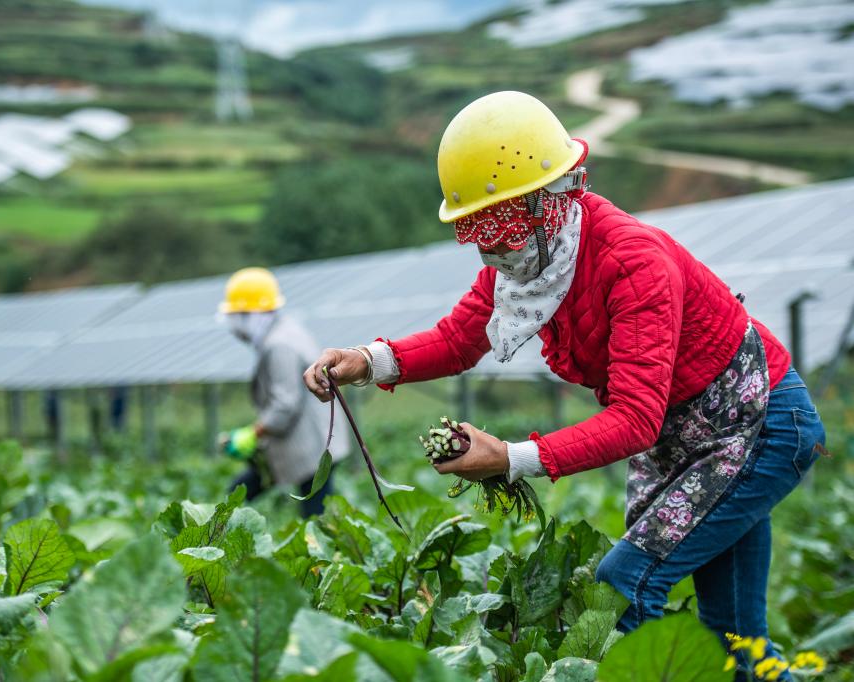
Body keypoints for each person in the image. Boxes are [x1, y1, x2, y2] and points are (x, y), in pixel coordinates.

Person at [302, 92, 825, 678]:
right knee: (736, 637)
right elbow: (457, 339)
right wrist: (365, 361)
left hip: (754, 428)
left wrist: (510, 458)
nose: (491, 250)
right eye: (480, 232)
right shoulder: (531, 266)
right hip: (686, 437)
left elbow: (635, 420)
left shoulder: (632, 262)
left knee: (623, 584)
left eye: (502, 230)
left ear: (548, 203)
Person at [220, 267, 348, 517]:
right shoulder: (286, 330)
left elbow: (285, 404)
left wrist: (253, 433)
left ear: (249, 314)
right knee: (242, 490)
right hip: (314, 439)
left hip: (312, 446)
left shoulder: (279, 345)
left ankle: (220, 529)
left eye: (235, 316)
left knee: (315, 518)